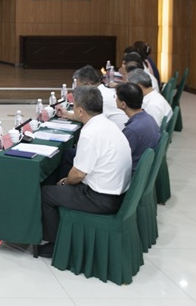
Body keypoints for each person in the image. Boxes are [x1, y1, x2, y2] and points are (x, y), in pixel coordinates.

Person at [40, 86, 132, 257]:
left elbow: (77, 175)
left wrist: (65, 182)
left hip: (101, 198)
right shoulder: (108, 124)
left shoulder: (90, 133)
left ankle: (55, 244)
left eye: (75, 107)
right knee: (66, 165)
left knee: (46, 193)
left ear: (81, 111)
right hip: (118, 192)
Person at [59, 65, 127, 130]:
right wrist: (66, 114)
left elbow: (88, 119)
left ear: (88, 85)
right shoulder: (106, 91)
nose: (78, 90)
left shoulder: (100, 98)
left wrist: (68, 114)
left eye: (79, 87)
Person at [116, 81, 160, 170]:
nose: (115, 99)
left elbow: (118, 158)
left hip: (131, 172)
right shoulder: (149, 118)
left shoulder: (132, 130)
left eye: (116, 97)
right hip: (144, 169)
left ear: (123, 104)